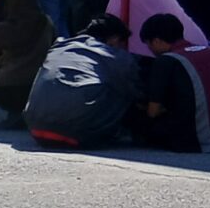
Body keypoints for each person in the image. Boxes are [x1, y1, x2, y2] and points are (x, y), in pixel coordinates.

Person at [24, 15, 140, 149]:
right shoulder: (114, 55)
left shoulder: (59, 46)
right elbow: (137, 90)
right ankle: (113, 133)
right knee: (124, 87)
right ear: (114, 39)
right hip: (78, 132)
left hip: (36, 126)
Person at [128, 11, 208, 151]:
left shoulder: (165, 61)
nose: (150, 50)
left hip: (191, 140)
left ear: (156, 41)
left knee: (131, 113)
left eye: (149, 44)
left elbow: (153, 112)